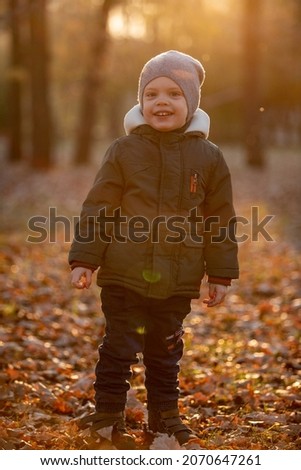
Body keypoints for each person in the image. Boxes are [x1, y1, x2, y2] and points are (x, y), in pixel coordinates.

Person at [69, 50, 239, 449]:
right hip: (124, 275)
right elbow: (99, 207)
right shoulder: (123, 151)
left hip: (177, 281)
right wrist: (85, 259)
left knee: (165, 354)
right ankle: (107, 418)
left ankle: (164, 420)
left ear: (191, 103)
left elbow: (219, 219)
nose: (161, 102)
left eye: (174, 94)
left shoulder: (210, 158)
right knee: (119, 348)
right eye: (152, 94)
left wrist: (220, 274)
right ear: (141, 102)